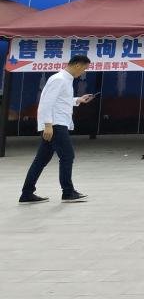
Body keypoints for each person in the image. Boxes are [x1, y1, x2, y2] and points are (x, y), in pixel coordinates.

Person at [19, 54, 94, 204]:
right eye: (84, 68)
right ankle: (68, 192)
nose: (83, 72)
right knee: (67, 156)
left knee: (41, 160)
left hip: (56, 124)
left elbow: (61, 101)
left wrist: (78, 100)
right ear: (78, 65)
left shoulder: (65, 80)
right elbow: (46, 103)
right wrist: (47, 125)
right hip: (55, 125)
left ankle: (27, 193)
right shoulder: (59, 79)